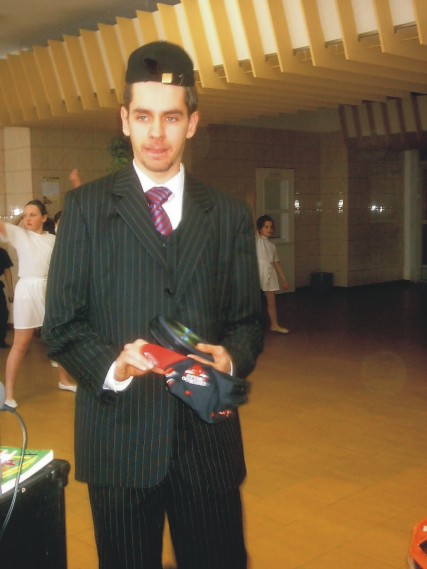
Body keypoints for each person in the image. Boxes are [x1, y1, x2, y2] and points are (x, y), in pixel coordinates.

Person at [42, 41, 264, 569]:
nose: (156, 133)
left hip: (206, 445)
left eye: (171, 117)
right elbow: (62, 326)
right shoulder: (87, 208)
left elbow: (248, 320)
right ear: (125, 120)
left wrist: (232, 356)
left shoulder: (227, 215)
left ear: (192, 123)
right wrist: (113, 367)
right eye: (143, 116)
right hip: (120, 442)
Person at [0, 200, 76, 408]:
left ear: (44, 217)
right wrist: (18, 220)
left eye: (32, 214)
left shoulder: (53, 239)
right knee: (21, 344)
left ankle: (64, 380)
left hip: (49, 290)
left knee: (58, 339)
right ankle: (9, 394)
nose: (28, 219)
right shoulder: (20, 235)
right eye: (25, 215)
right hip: (27, 291)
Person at [256, 215, 289, 334]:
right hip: (258, 274)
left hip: (270, 274)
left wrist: (284, 279)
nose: (269, 229)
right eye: (266, 227)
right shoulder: (257, 240)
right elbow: (253, 222)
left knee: (272, 302)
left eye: (271, 227)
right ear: (260, 229)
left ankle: (274, 325)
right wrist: (252, 206)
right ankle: (253, 327)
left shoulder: (272, 246)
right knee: (254, 303)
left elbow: (276, 263)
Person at [0, 247, 14, 348]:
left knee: (3, 313)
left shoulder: (2, 252)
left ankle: (1, 340)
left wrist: (10, 291)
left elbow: (7, 271)